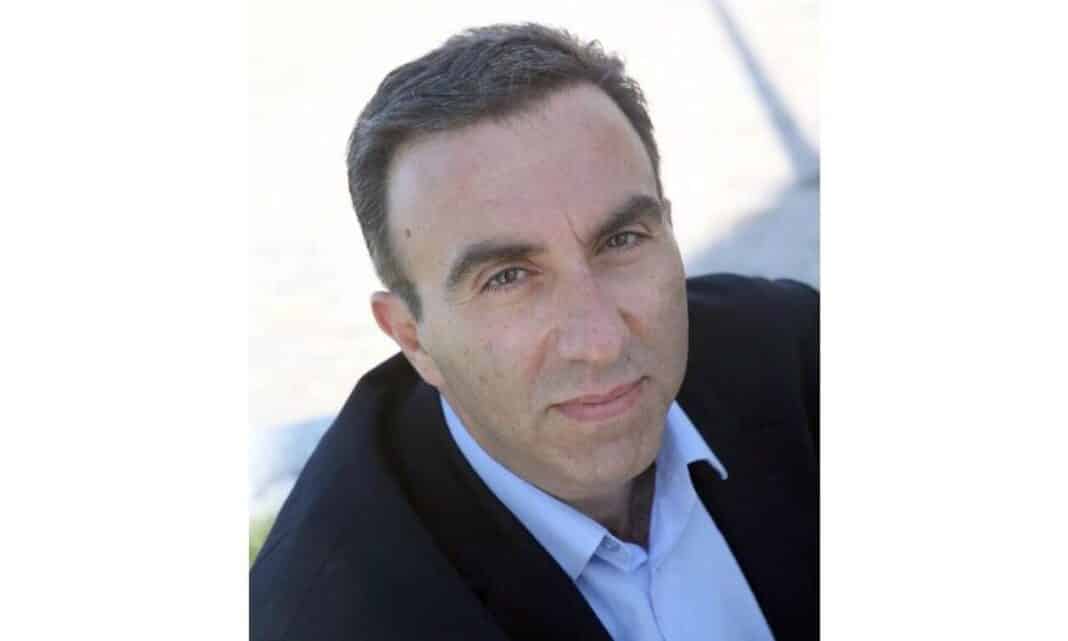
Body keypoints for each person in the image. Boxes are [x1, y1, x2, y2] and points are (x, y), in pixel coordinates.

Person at [250, 23, 818, 641]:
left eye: (621, 240)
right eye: (508, 277)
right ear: (412, 337)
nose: (600, 342)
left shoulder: (799, 358)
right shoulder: (325, 617)